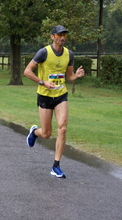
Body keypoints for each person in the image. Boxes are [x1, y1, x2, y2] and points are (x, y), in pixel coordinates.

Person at [24, 25, 85, 178]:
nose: (62, 37)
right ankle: (34, 132)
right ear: (52, 37)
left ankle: (56, 166)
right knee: (46, 134)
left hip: (61, 95)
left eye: (64, 34)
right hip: (44, 95)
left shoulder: (69, 54)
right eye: (59, 35)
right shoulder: (44, 52)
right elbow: (27, 71)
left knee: (62, 128)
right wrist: (42, 82)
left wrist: (76, 76)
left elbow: (68, 77)